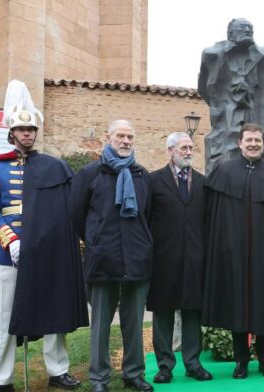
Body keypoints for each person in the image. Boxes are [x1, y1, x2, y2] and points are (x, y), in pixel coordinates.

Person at [0, 80, 88, 392]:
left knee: (54, 310)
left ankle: (58, 370)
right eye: (21, 130)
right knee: (4, 320)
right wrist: (11, 240)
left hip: (46, 251)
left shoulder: (54, 167)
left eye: (31, 130)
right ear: (12, 133)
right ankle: (1, 379)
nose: (27, 134)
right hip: (6, 254)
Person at [202, 123, 264, 379]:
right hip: (234, 255)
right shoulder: (224, 172)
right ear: (240, 142)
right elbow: (213, 218)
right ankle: (241, 361)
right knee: (238, 307)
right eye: (249, 140)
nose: (254, 144)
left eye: (258, 140)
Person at [70, 120, 154, 392]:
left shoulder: (142, 175)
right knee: (101, 325)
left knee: (133, 321)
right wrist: (95, 240)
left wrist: (142, 243)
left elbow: (147, 215)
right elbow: (76, 215)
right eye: (120, 135)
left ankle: (133, 374)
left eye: (130, 136)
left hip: (136, 257)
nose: (126, 141)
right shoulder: (90, 173)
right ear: (108, 137)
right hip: (103, 257)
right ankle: (99, 378)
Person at [147, 132, 212, 383]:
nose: (188, 151)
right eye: (183, 147)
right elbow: (146, 218)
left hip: (196, 257)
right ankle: (165, 365)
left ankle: (193, 363)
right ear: (170, 150)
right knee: (163, 311)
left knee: (192, 311)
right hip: (163, 258)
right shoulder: (154, 181)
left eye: (190, 147)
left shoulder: (203, 184)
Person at [198, 18, 264, 173]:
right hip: (226, 120)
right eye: (242, 28)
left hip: (255, 113)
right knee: (225, 160)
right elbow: (206, 90)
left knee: (259, 161)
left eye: (250, 28)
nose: (247, 31)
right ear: (230, 33)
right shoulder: (213, 54)